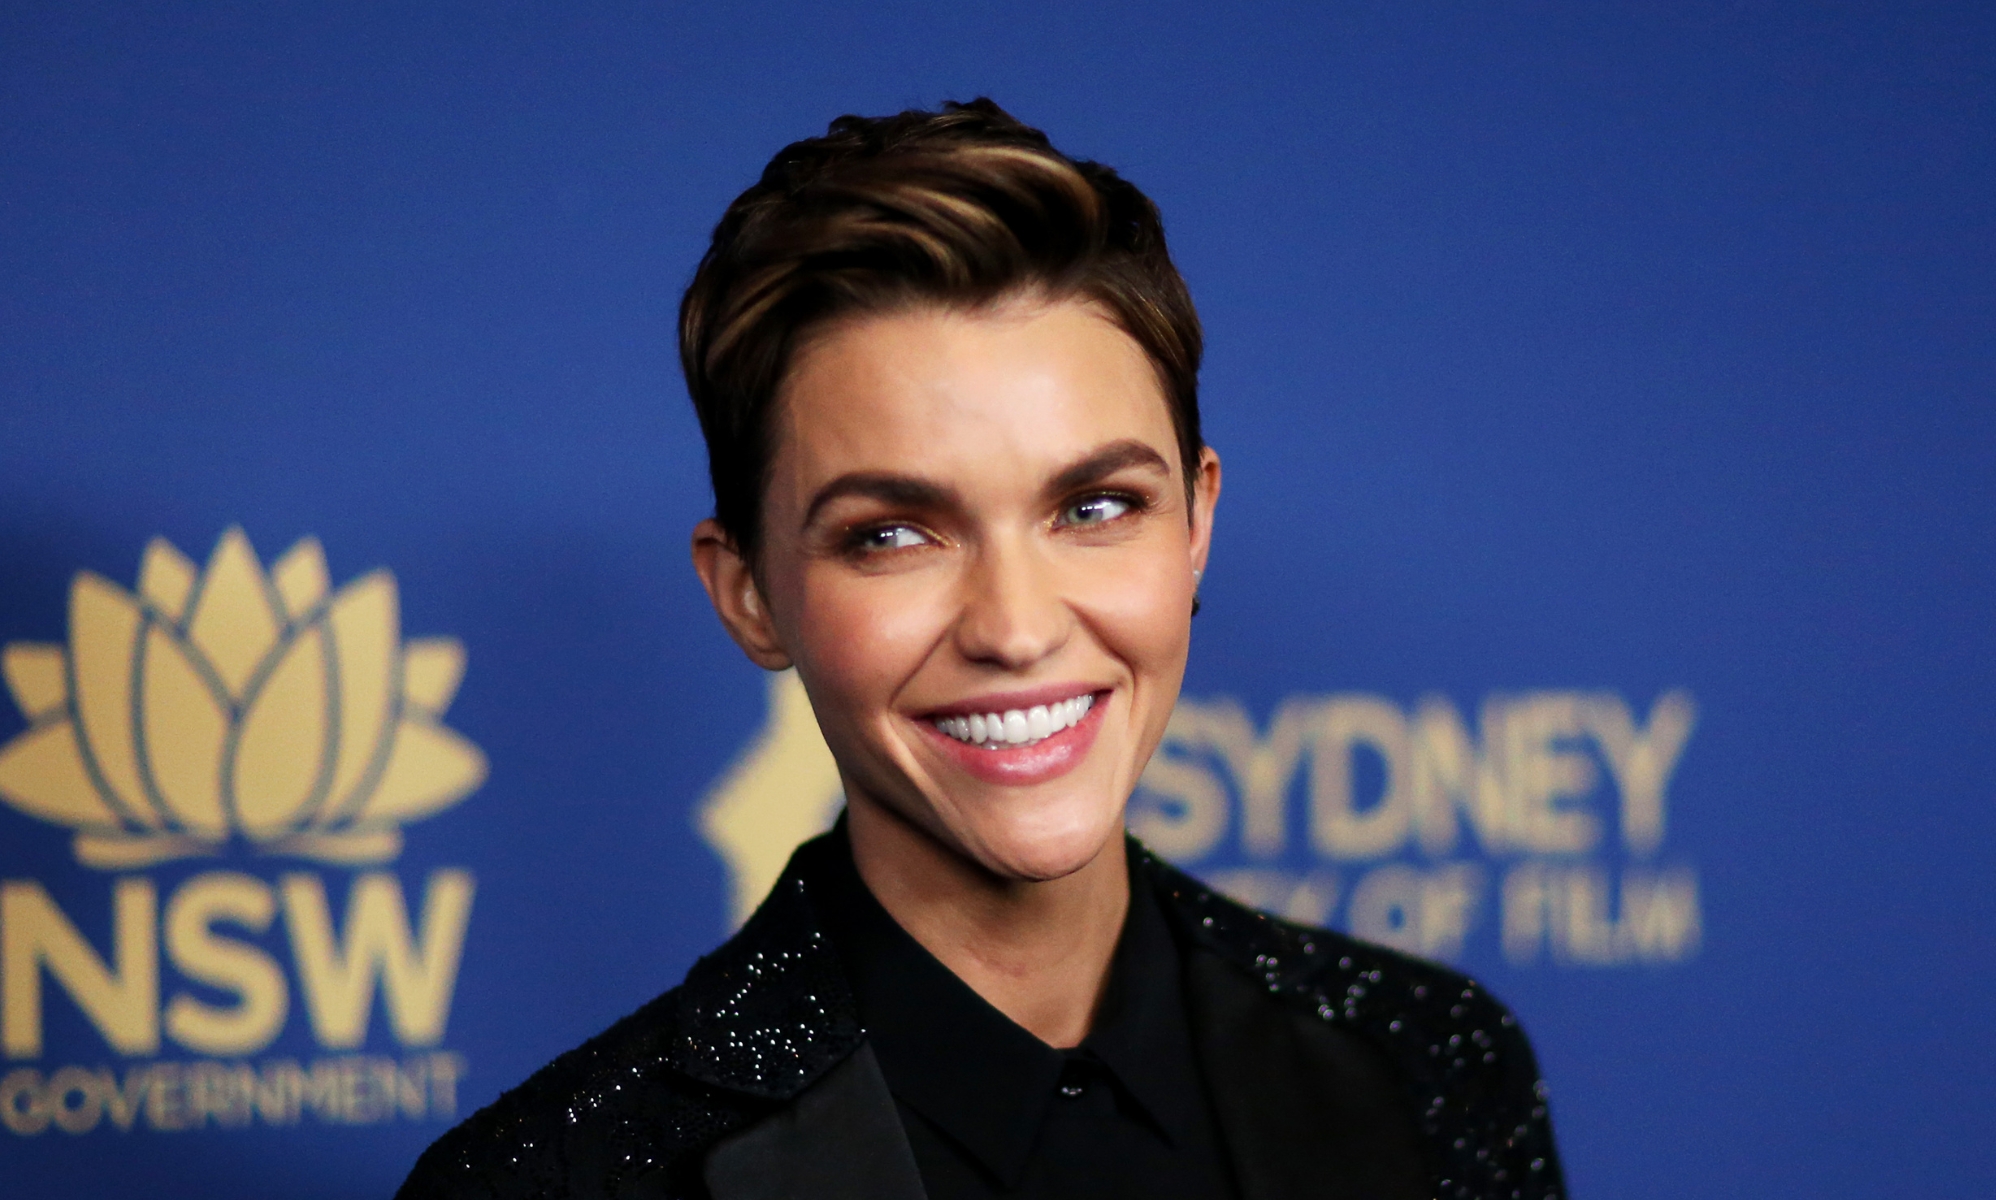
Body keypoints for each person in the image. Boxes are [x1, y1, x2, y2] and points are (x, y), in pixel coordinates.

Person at [398, 98, 1565, 1200]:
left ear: (1196, 525)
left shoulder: (1427, 1065)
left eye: (1095, 507)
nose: (1015, 628)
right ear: (747, 593)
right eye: (892, 534)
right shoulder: (556, 1179)